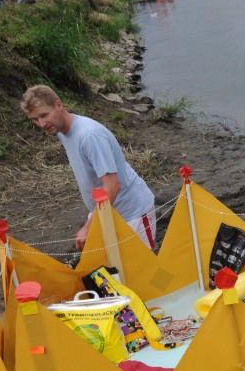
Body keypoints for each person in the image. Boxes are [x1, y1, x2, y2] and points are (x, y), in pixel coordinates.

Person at [20, 85, 157, 250]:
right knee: (116, 273)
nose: (41, 123)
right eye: (34, 119)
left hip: (133, 213)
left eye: (44, 115)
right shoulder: (62, 131)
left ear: (58, 105)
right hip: (109, 213)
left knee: (142, 272)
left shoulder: (89, 136)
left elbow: (112, 185)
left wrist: (89, 226)